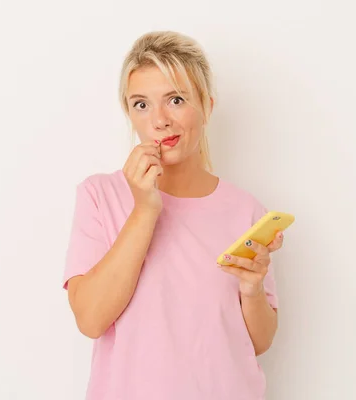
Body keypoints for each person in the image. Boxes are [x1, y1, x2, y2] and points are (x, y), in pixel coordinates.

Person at [62, 30, 286, 400]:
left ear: (207, 107)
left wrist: (251, 289)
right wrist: (144, 209)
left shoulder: (246, 211)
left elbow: (259, 342)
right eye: (141, 104)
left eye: (176, 100)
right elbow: (90, 319)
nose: (159, 120)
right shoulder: (99, 195)